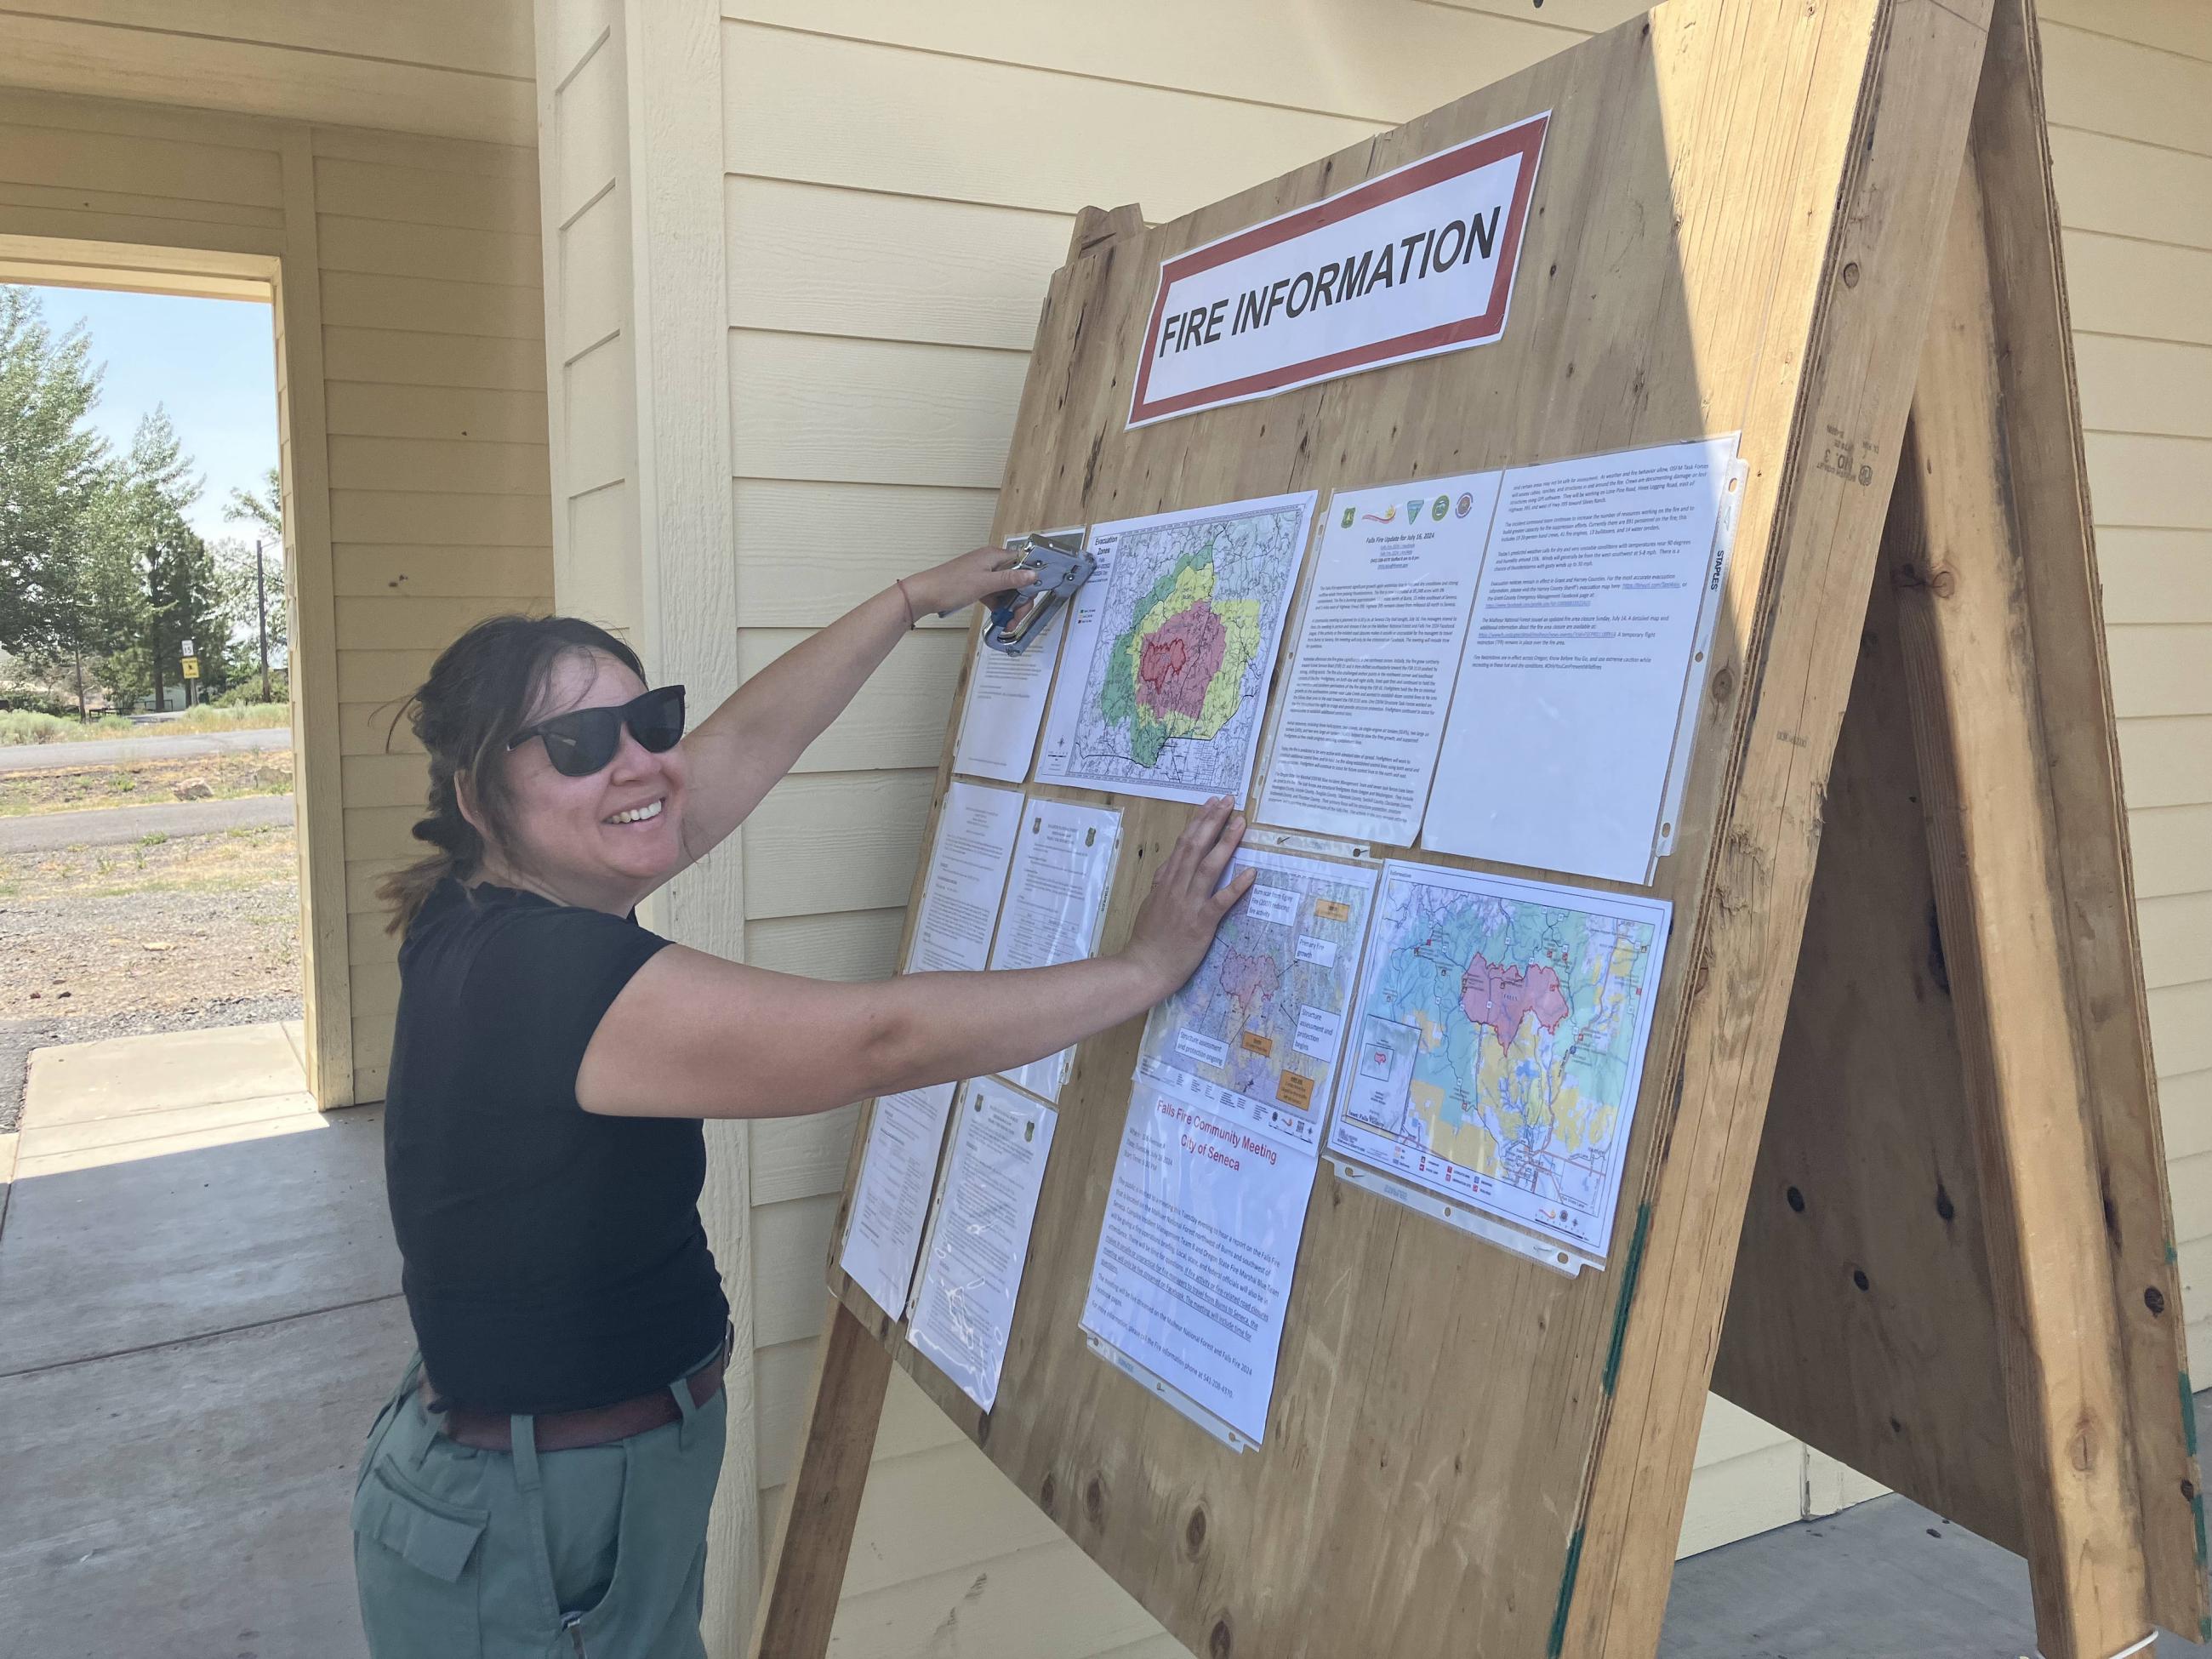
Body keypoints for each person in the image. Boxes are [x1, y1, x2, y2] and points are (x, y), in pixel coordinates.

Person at [351, 543, 1254, 1658]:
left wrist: (911, 600)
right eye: (583, 744)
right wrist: (1143, 970)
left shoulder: (486, 899)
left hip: (569, 1485)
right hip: (536, 1525)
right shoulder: (538, 976)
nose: (639, 764)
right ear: (476, 796)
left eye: (652, 720)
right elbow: (878, 1038)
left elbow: (738, 749)